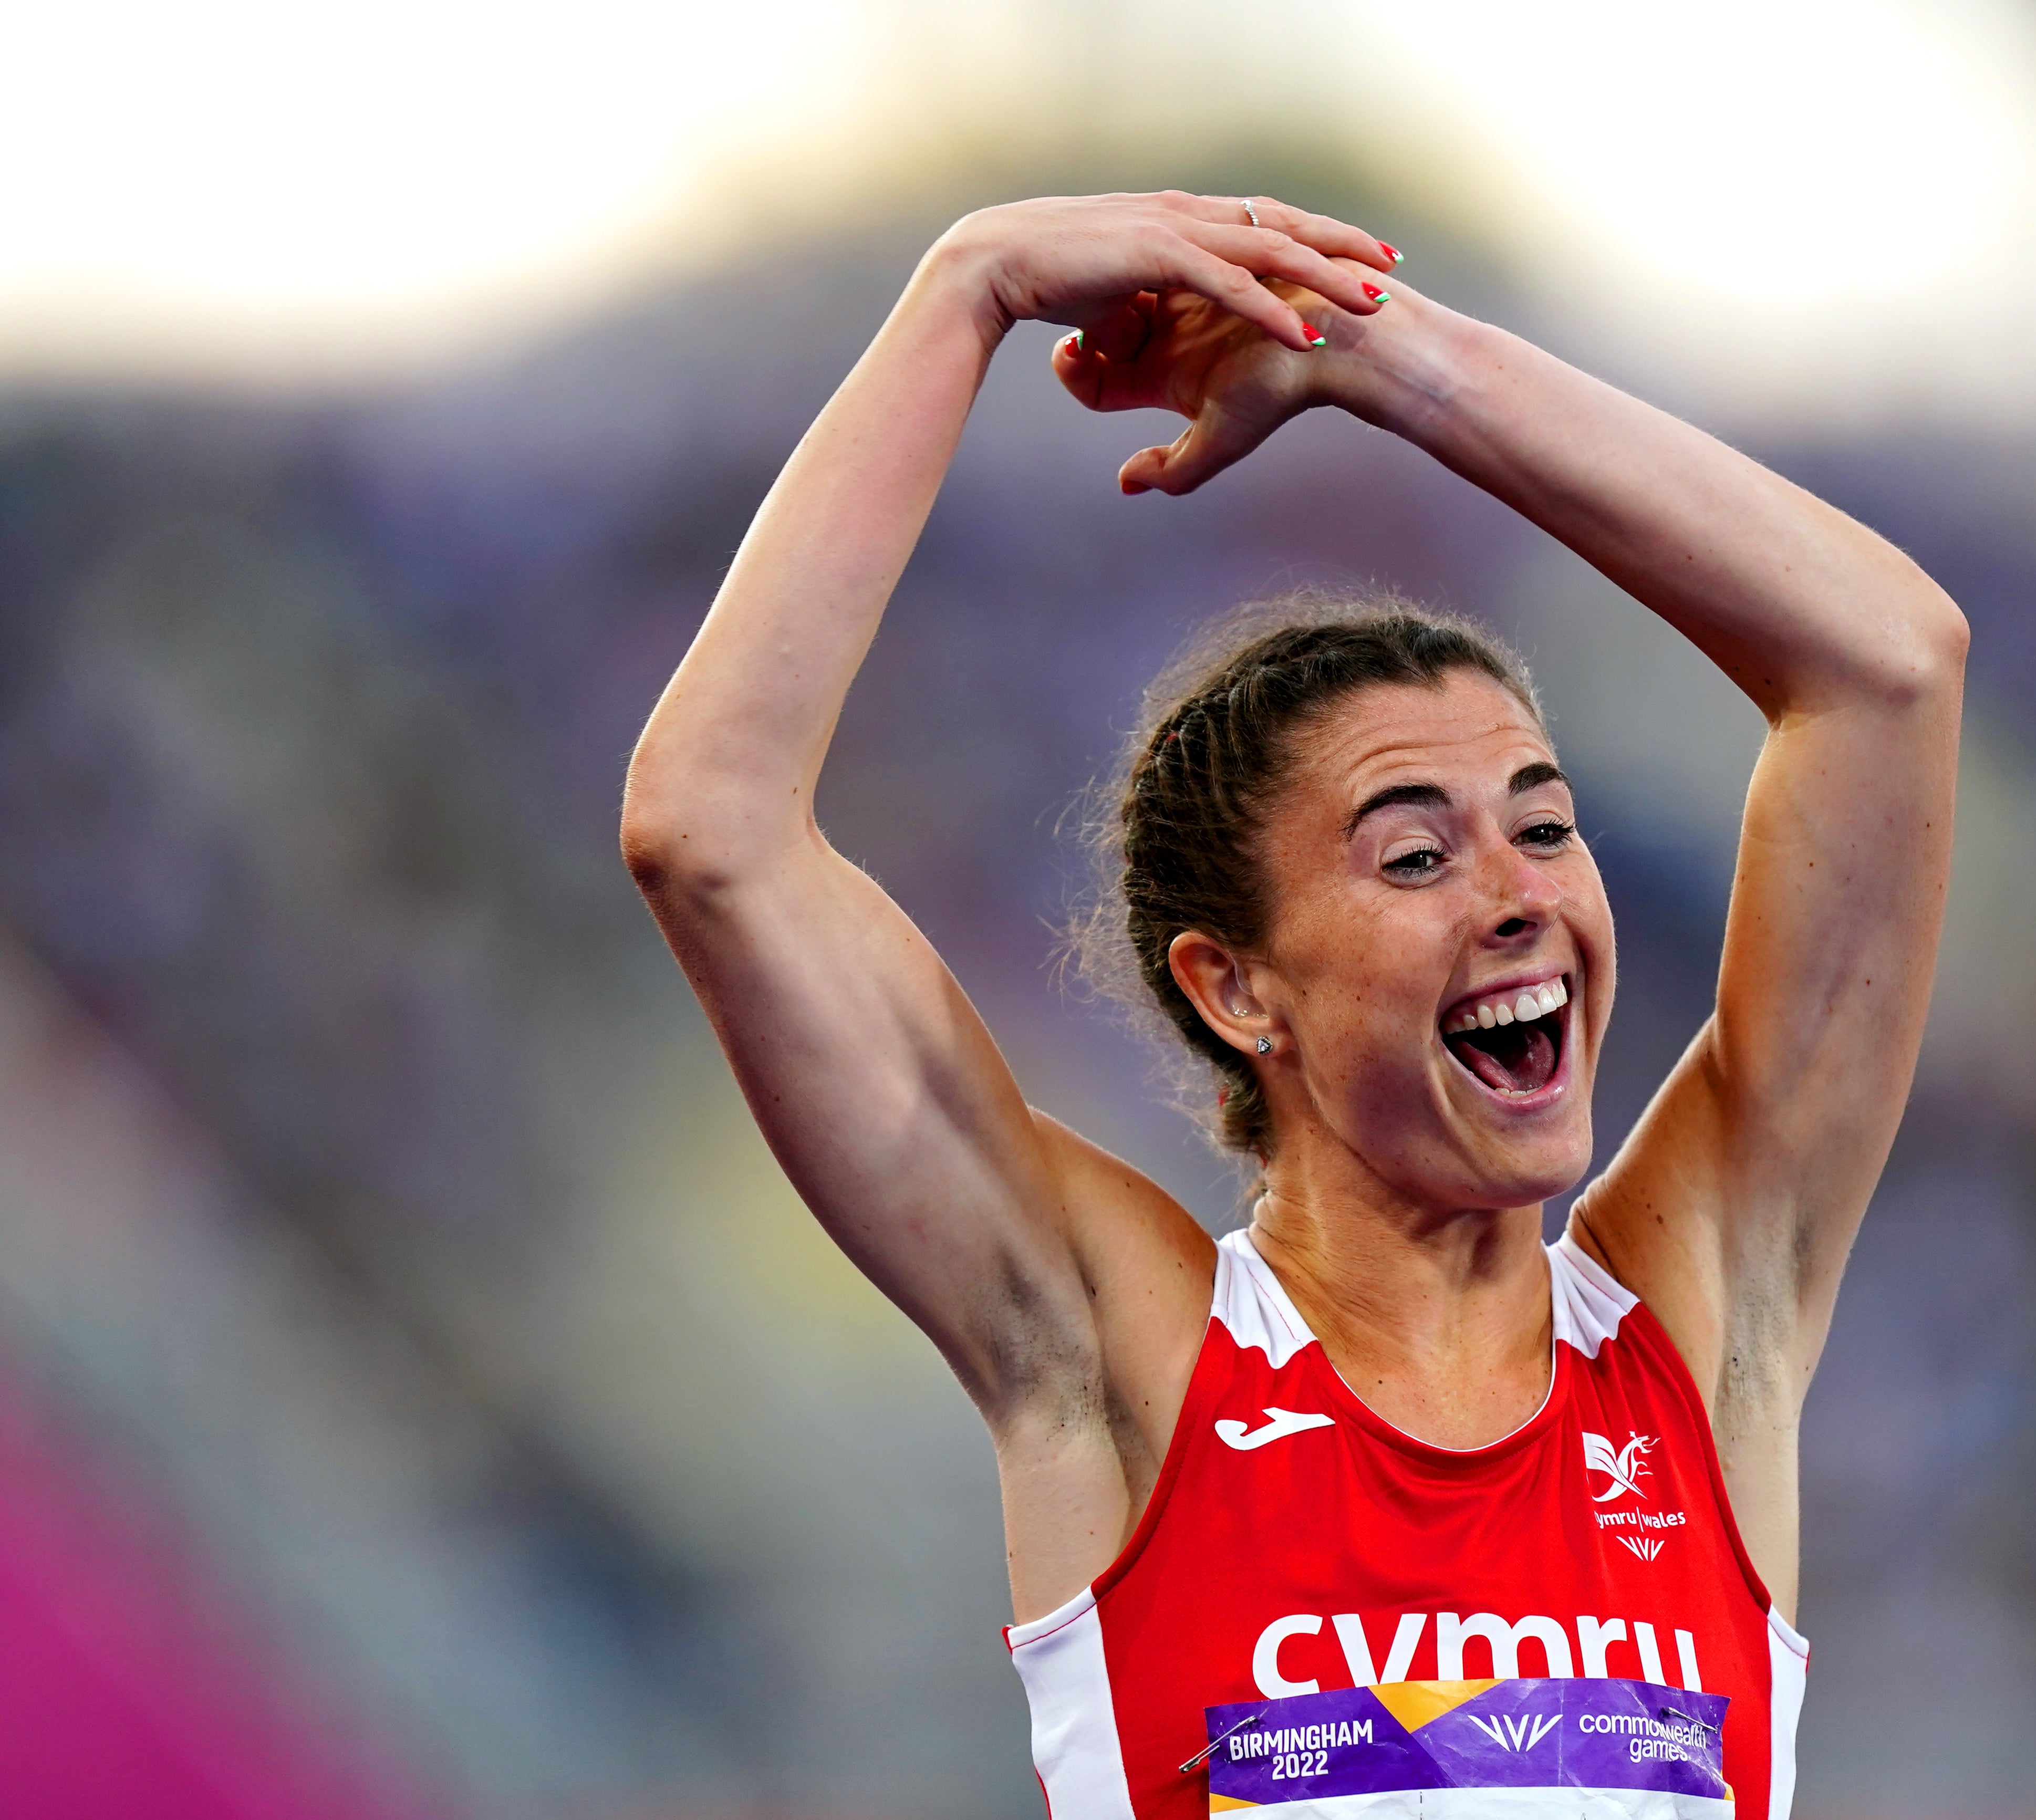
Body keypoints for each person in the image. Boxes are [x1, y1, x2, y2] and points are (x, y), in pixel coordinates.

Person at [620, 190, 1965, 1818]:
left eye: (1544, 824)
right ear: (1233, 984)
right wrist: (965, 287)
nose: (1521, 890)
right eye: (1415, 855)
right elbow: (713, 833)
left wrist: (1367, 350)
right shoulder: (1123, 1350)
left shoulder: (1698, 1334)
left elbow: (1887, 665)